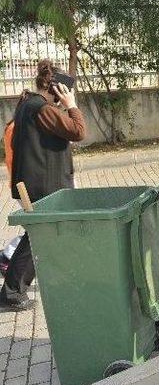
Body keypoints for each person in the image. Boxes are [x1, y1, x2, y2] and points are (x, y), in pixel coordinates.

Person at [0, 59, 86, 311]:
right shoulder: (42, 108)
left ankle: (13, 289)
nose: (66, 97)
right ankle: (12, 292)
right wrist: (71, 106)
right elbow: (78, 131)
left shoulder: (29, 104)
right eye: (65, 91)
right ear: (57, 89)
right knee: (39, 238)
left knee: (40, 237)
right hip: (43, 188)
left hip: (35, 185)